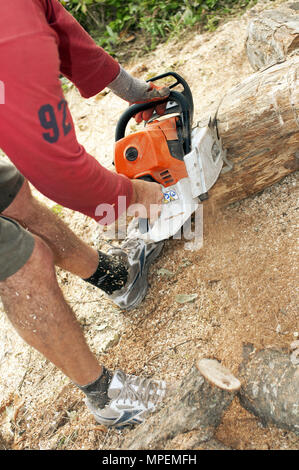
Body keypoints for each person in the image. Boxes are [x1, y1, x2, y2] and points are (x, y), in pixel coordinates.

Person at [0, 0, 170, 428]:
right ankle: (106, 397)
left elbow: (60, 25)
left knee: (13, 197)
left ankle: (118, 280)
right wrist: (130, 193)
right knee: (21, 261)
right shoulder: (10, 30)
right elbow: (56, 167)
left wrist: (134, 90)